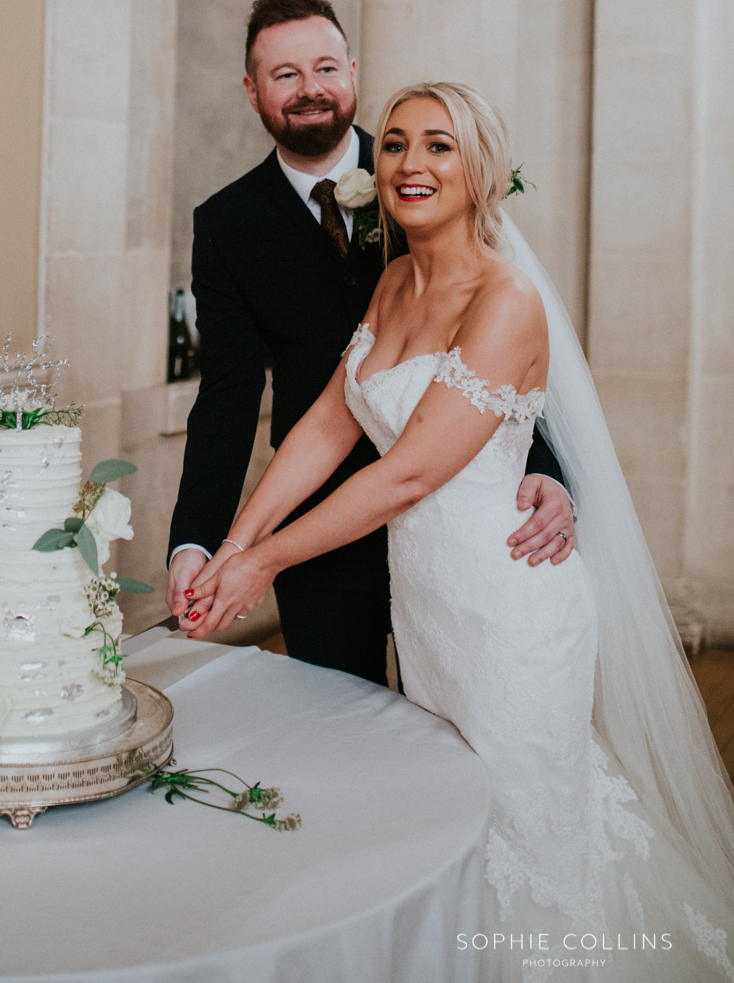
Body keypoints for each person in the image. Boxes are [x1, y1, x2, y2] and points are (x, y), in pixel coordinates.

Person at [184, 81, 734, 979]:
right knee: (458, 826)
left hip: (509, 609)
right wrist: (240, 542)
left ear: (481, 171)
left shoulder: (506, 298)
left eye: (439, 146)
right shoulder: (397, 281)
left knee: (532, 835)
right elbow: (331, 421)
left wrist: (266, 563)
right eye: (396, 144)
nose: (411, 163)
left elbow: (410, 472)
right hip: (436, 610)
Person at [166, 0, 575, 684]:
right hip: (319, 538)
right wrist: (213, 543)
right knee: (348, 747)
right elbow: (237, 394)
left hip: (473, 527)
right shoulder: (230, 224)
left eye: (325, 67)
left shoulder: (436, 183)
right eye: (285, 74)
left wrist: (545, 469)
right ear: (252, 89)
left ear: (352, 71)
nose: (310, 89)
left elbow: (512, 367)